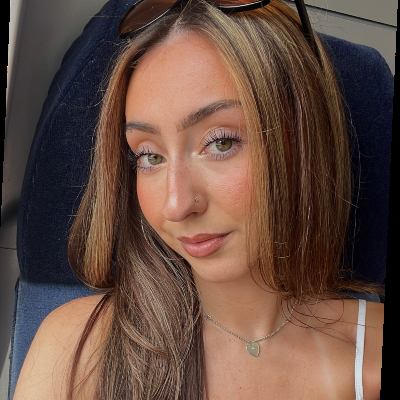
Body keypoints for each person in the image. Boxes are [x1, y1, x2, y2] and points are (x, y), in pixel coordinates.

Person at [14, 0, 384, 399]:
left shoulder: (371, 352)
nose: (176, 205)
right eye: (149, 156)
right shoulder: (76, 353)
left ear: (301, 141)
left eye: (220, 142)